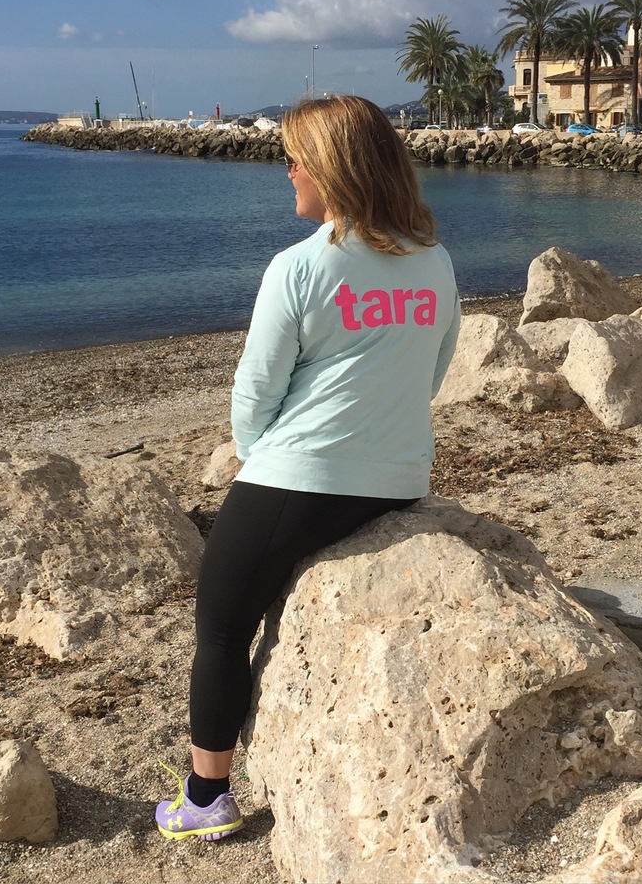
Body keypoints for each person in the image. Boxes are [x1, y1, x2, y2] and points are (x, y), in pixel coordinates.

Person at [155, 94, 462, 841]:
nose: (287, 172)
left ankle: (206, 797)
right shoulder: (435, 259)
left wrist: (258, 459)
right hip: (398, 478)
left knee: (220, 624)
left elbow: (256, 391)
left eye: (295, 159)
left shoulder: (300, 266)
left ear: (333, 167)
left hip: (297, 476)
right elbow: (433, 372)